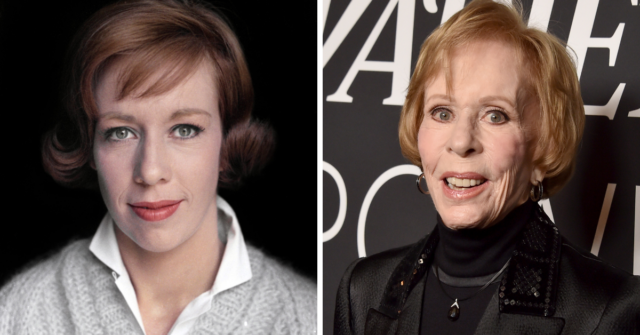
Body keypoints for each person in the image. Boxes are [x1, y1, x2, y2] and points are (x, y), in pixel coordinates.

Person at [0, 0, 316, 334]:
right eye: (121, 132)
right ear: (89, 144)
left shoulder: (308, 320)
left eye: (184, 130)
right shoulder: (17, 315)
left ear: (228, 140)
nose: (150, 171)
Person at [333, 0, 640, 334]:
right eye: (442, 112)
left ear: (545, 148)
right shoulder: (363, 291)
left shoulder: (610, 310)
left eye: (495, 115)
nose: (461, 141)